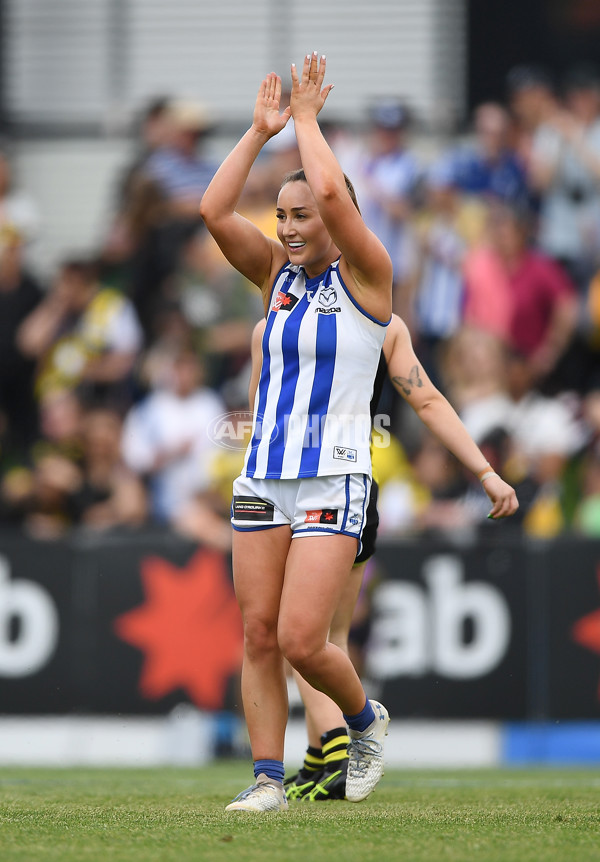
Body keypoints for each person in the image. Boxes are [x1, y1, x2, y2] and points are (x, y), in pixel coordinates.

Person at [200, 54, 397, 812]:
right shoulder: (274, 278)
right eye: (280, 216)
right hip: (263, 472)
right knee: (258, 635)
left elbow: (330, 190)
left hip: (334, 472)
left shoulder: (368, 276)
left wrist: (308, 123)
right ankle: (267, 781)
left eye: (300, 215)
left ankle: (363, 719)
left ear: (334, 216)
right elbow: (214, 213)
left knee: (304, 640)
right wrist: (257, 134)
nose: (286, 227)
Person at [248, 312, 520, 800]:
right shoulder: (381, 323)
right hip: (350, 484)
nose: (288, 230)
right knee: (325, 635)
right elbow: (428, 400)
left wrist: (485, 473)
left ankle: (335, 745)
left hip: (328, 483)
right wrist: (484, 471)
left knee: (306, 636)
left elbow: (428, 400)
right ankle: (319, 754)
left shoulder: (288, 316)